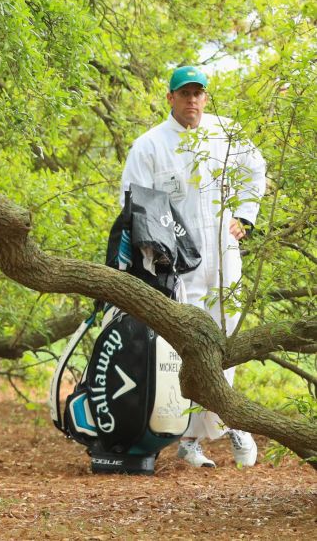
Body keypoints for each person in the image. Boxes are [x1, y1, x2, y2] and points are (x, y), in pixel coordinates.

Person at [120, 65, 266, 468]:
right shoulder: (150, 145)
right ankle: (188, 438)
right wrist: (151, 259)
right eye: (184, 93)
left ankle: (232, 421)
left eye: (198, 93)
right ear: (170, 98)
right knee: (189, 346)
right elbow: (133, 203)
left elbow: (256, 170)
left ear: (205, 97)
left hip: (223, 252)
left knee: (226, 338)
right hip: (178, 264)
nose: (192, 100)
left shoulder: (226, 133)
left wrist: (246, 215)